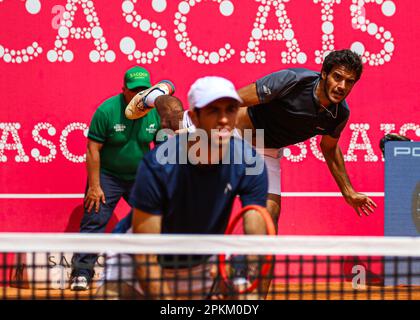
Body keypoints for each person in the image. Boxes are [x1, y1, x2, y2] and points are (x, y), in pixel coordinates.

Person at [96, 76, 269, 299]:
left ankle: (156, 96)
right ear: (194, 117)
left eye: (231, 109)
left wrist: (243, 271)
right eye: (213, 110)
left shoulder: (249, 163)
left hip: (201, 263)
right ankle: (155, 96)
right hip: (137, 255)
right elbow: (144, 256)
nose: (224, 119)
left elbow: (255, 234)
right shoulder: (159, 164)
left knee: (248, 300)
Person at [234, 49, 378, 227]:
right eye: (337, 77)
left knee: (269, 216)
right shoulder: (293, 81)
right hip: (234, 134)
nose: (342, 86)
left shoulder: (339, 114)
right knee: (205, 196)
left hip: (265, 152)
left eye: (349, 82)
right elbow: (235, 100)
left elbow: (329, 148)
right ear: (324, 74)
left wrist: (348, 191)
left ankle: (253, 255)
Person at [70, 66, 174, 291]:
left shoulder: (156, 110)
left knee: (162, 218)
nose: (139, 95)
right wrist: (95, 186)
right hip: (108, 176)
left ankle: (163, 271)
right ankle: (81, 272)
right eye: (134, 90)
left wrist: (161, 184)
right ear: (124, 90)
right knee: (94, 219)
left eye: (144, 90)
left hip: (140, 176)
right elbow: (92, 150)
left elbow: (162, 150)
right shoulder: (107, 110)